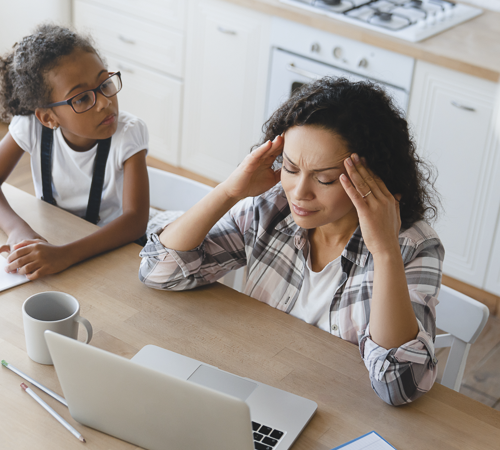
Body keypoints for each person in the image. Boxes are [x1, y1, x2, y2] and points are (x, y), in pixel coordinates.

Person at [139, 77, 444, 406]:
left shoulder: (412, 246)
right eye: (290, 167)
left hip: (337, 411)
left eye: (324, 179)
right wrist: (229, 191)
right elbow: (160, 271)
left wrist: (385, 253)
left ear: (373, 178)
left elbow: (398, 386)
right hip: (252, 391)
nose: (299, 193)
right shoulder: (274, 208)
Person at [0, 24, 150, 280]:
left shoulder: (129, 133)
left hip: (110, 247)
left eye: (105, 84)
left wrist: (65, 255)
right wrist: (17, 231)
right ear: (47, 117)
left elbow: (135, 222)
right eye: (81, 99)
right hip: (53, 236)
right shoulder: (30, 127)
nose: (104, 102)